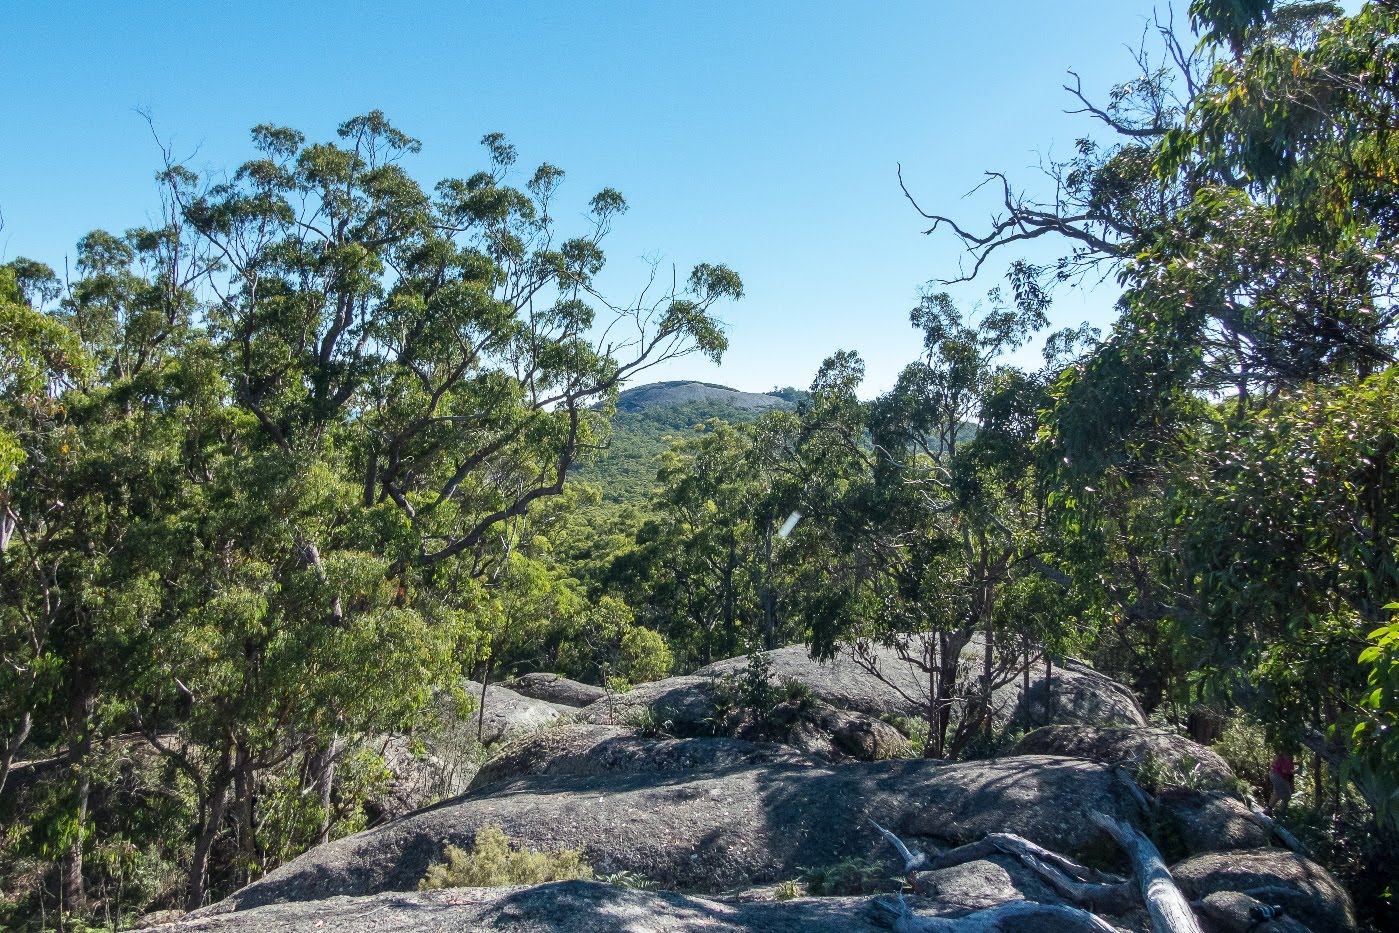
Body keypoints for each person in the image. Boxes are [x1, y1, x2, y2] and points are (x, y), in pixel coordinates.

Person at [1267, 751, 1295, 815]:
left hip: (1274, 774)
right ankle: (1280, 814)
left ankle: (1268, 809)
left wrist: (1297, 763)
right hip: (1279, 777)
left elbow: (1288, 764)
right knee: (1287, 797)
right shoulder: (1286, 756)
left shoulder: (1282, 754)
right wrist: (1297, 771)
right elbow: (1285, 771)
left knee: (1277, 793)